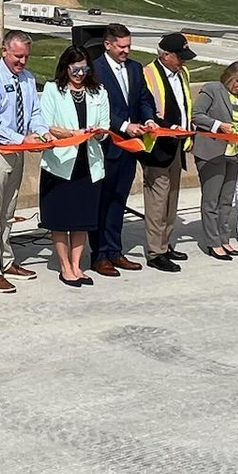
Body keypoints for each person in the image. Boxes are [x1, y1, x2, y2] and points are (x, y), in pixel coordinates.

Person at [0, 29, 44, 293]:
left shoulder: (27, 79)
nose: (22, 62)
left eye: (25, 57)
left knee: (8, 213)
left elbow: (35, 112)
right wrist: (19, 139)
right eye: (17, 56)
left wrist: (40, 133)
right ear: (4, 51)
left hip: (17, 152)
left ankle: (6, 260)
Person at [36, 46, 109, 286]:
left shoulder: (99, 93)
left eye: (84, 69)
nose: (79, 74)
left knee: (82, 220)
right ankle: (64, 266)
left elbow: (105, 127)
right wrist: (72, 134)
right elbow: (46, 125)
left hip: (89, 163)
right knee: (61, 219)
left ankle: (77, 265)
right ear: (66, 68)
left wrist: (97, 134)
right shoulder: (52, 90)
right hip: (61, 164)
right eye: (75, 69)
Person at [89, 24, 156, 274]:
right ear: (108, 44)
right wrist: (124, 125)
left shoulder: (135, 69)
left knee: (119, 201)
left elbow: (143, 99)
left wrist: (148, 118)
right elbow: (98, 106)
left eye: (129, 46)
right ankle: (100, 255)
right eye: (122, 47)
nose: (126, 51)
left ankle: (115, 251)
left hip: (130, 148)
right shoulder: (95, 69)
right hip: (107, 147)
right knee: (102, 202)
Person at [139, 32, 196, 272]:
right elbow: (144, 109)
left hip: (177, 146)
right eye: (179, 57)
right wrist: (166, 128)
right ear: (165, 55)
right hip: (157, 146)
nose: (183, 61)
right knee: (157, 200)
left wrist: (188, 127)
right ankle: (156, 251)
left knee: (172, 198)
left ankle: (166, 242)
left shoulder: (182, 73)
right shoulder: (147, 74)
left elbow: (184, 103)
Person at [193, 62, 238, 260]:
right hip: (212, 153)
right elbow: (197, 115)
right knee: (211, 200)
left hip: (234, 154)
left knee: (226, 201)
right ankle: (213, 242)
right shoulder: (212, 89)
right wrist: (218, 125)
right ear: (230, 76)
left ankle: (224, 238)